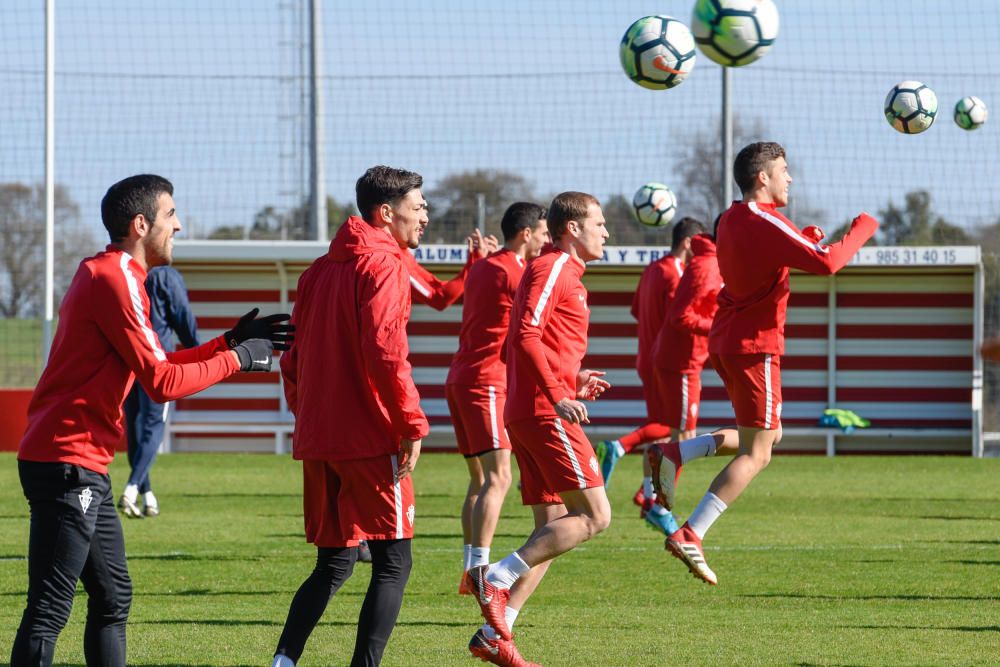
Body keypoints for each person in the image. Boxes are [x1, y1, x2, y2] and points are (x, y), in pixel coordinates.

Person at [11, 174, 290, 666]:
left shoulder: (120, 276)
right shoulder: (114, 278)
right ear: (141, 224)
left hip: (82, 464)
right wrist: (238, 359)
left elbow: (156, 361)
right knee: (50, 609)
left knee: (113, 596)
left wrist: (227, 342)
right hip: (66, 462)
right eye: (171, 215)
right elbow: (161, 382)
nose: (179, 225)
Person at [664, 142, 878, 585]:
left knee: (768, 433)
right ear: (762, 177)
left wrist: (809, 239)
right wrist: (864, 226)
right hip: (754, 345)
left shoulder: (732, 219)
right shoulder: (762, 218)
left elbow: (767, 259)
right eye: (784, 169)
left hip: (729, 341)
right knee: (757, 454)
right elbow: (829, 263)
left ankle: (677, 451)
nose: (790, 177)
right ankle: (692, 532)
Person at [272, 166, 431, 667]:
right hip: (370, 437)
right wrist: (411, 424)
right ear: (386, 214)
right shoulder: (385, 265)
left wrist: (313, 416)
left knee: (334, 562)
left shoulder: (316, 270)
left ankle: (283, 661)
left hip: (321, 438)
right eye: (418, 206)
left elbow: (291, 361)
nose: (425, 215)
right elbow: (386, 351)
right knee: (394, 561)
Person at [466, 192, 611, 664]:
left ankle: (496, 633)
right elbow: (521, 335)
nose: (605, 232)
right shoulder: (553, 268)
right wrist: (557, 394)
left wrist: (574, 378)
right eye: (600, 223)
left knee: (551, 525)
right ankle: (496, 577)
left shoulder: (564, 272)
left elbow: (538, 342)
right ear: (572, 228)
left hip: (535, 407)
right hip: (541, 412)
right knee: (595, 516)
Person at [444, 202, 549, 661]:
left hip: (461, 377)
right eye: (543, 233)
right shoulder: (515, 272)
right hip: (487, 380)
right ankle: (481, 573)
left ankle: (474, 570)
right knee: (498, 478)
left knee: (479, 479)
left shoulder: (488, 266)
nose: (547, 240)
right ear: (525, 234)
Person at [595, 218, 704, 529]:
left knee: (665, 429)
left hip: (646, 358)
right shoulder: (676, 274)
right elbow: (682, 320)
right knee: (683, 434)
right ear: (688, 243)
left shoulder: (652, 270)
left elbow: (635, 311)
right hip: (671, 363)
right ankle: (626, 456)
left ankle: (647, 494)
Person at [119, 265, 199, 518]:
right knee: (153, 426)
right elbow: (182, 316)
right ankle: (132, 489)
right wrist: (196, 350)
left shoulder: (125, 272)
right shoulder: (165, 275)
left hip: (128, 362)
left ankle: (148, 495)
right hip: (156, 363)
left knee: (134, 427)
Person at [402, 227, 498, 309]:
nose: (424, 220)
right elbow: (439, 298)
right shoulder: (398, 259)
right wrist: (476, 263)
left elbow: (438, 289)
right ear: (388, 214)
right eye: (416, 209)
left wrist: (486, 265)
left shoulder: (403, 253)